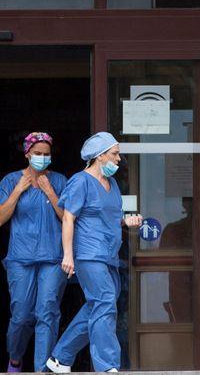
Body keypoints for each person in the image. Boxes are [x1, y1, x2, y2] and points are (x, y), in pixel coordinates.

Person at [46, 132, 143, 374]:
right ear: (100, 156)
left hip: (109, 255)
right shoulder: (81, 181)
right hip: (89, 255)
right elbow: (69, 218)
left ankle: (60, 358)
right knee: (104, 303)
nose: (119, 159)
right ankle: (107, 365)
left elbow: (106, 217)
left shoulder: (112, 186)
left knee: (96, 305)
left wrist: (126, 221)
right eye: (114, 153)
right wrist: (68, 255)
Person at [0, 132, 69, 373]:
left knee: (47, 311)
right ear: (27, 154)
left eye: (46, 155)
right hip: (20, 259)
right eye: (37, 154)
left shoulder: (59, 181)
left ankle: (41, 370)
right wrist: (18, 191)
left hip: (53, 258)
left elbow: (68, 218)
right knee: (22, 314)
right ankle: (15, 358)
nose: (42, 158)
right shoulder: (10, 180)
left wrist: (50, 193)